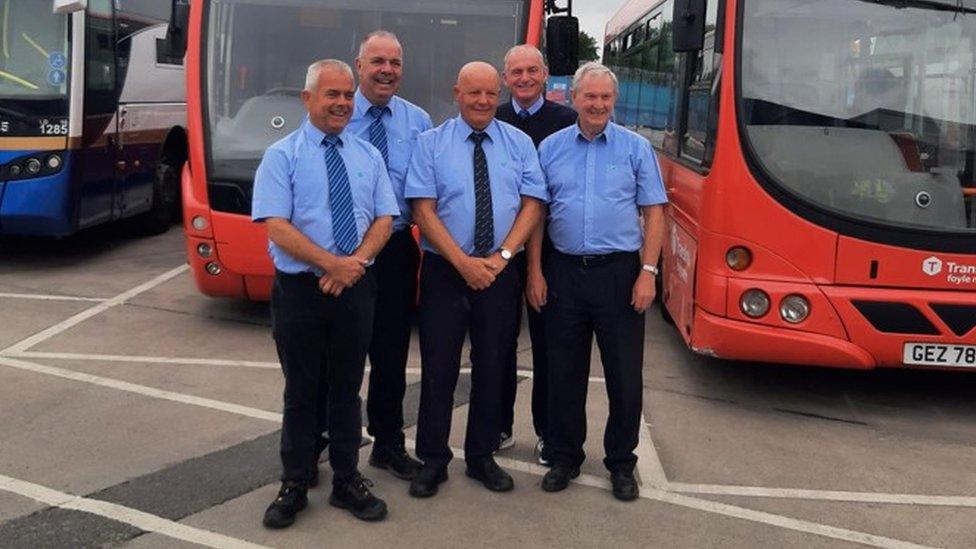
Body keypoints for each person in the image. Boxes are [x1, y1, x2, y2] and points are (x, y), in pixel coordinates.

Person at [254, 59, 397, 528]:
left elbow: (383, 220)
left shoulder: (367, 156)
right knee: (301, 391)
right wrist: (330, 263)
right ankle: (295, 482)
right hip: (300, 290)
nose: (341, 103)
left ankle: (346, 480)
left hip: (355, 286)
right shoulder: (282, 155)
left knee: (346, 389)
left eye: (347, 95)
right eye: (331, 94)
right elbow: (276, 225)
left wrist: (352, 265)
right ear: (308, 98)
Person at [404, 61, 547, 498]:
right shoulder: (430, 144)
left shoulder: (519, 143)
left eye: (489, 92)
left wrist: (502, 258)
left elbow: (532, 204)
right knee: (439, 369)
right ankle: (432, 459)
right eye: (474, 93)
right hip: (446, 271)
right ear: (457, 93)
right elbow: (422, 210)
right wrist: (462, 261)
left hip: (499, 272)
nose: (483, 101)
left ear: (498, 91)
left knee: (493, 366)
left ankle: (482, 457)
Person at [534, 62, 666, 501]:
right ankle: (564, 456)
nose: (597, 105)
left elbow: (655, 213)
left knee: (624, 377)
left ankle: (621, 464)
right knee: (563, 373)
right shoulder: (550, 148)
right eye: (589, 97)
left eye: (605, 98)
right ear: (573, 99)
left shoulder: (635, 148)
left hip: (619, 274)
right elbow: (536, 215)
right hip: (564, 272)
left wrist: (647, 273)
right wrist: (534, 271)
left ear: (615, 101)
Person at [347, 30, 432, 481]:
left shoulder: (417, 121)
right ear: (359, 65)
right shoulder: (339, 115)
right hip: (345, 250)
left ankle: (388, 443)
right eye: (377, 61)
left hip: (397, 249)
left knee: (391, 352)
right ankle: (330, 441)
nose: (386, 70)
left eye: (395, 63)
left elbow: (424, 193)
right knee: (338, 351)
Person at [494, 44, 577, 462]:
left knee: (549, 347)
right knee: (498, 344)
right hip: (499, 251)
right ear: (504, 78)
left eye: (531, 71)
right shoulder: (493, 118)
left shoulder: (568, 122)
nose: (524, 79)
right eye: (515, 72)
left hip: (550, 255)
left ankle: (547, 431)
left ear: (546, 75)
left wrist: (537, 267)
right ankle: (499, 426)